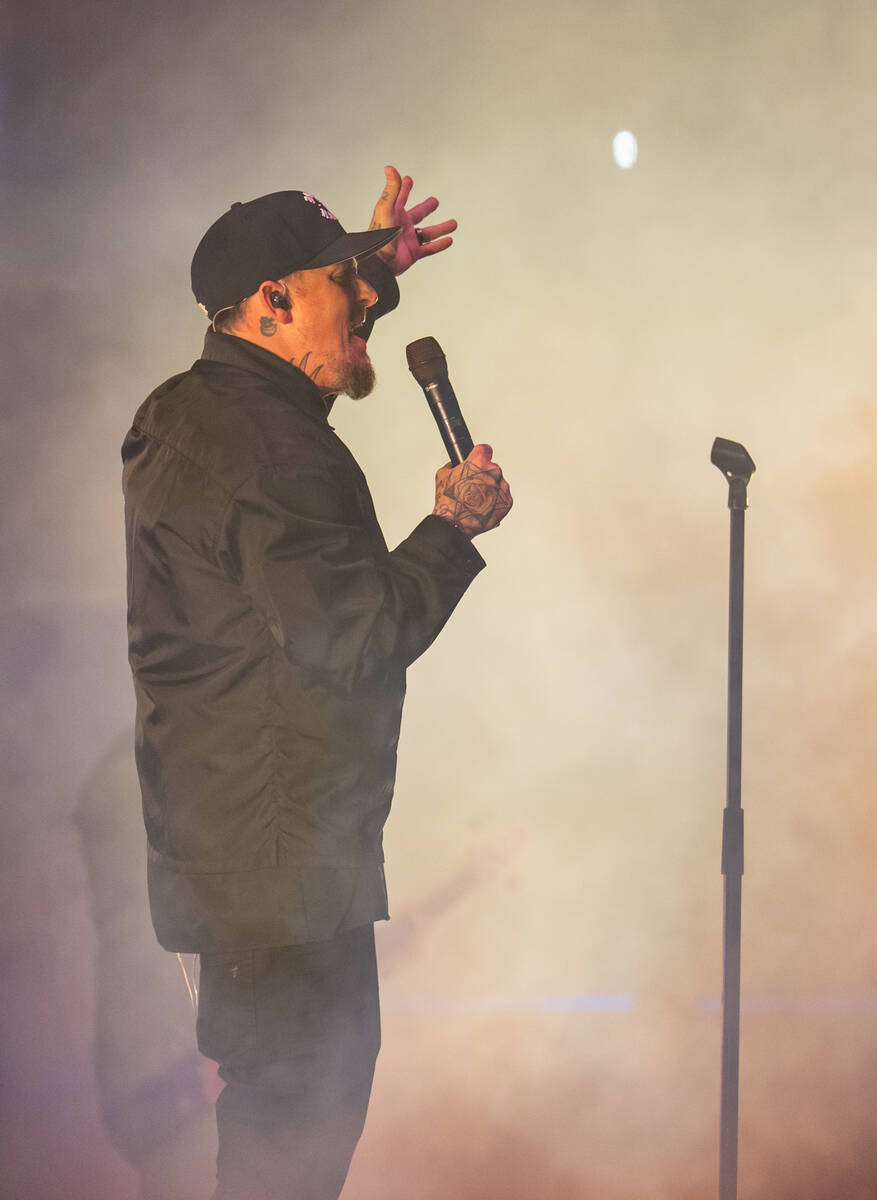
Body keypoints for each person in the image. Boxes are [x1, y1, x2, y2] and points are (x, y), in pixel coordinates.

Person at [121, 165, 512, 1200]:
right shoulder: (275, 454)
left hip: (231, 868)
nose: (372, 312)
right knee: (287, 1152)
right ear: (273, 302)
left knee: (274, 1140)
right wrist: (451, 529)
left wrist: (373, 264)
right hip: (286, 886)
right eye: (348, 290)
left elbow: (314, 317)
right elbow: (354, 637)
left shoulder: (184, 411)